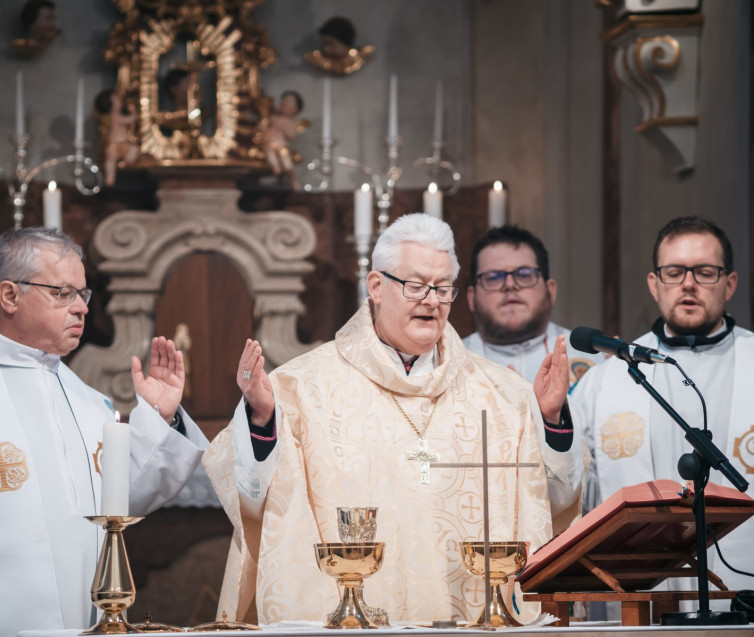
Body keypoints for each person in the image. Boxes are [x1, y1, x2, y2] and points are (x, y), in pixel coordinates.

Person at [203, 213, 567, 625]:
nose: (432, 300)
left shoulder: (503, 393)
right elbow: (250, 499)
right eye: (416, 286)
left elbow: (553, 502)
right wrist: (262, 421)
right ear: (376, 286)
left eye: (443, 288)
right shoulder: (301, 388)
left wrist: (551, 422)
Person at [0, 227, 208, 637]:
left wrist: (161, 418)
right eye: (63, 293)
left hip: (77, 619)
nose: (81, 309)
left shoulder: (86, 399)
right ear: (10, 296)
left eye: (83, 295)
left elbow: (120, 502)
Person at [570, 216, 754, 601]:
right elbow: (572, 498)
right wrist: (550, 419)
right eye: (674, 272)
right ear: (655, 285)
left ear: (730, 283)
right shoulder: (606, 381)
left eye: (705, 272)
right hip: (640, 603)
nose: (688, 283)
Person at [463, 225, 605, 528]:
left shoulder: (595, 363)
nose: (510, 286)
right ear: (471, 297)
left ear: (550, 290)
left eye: (524, 274)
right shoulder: (451, 365)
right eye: (493, 277)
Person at [257, 90, 307, 188]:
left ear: (295, 109)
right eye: (283, 102)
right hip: (269, 143)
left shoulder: (288, 122)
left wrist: (283, 127)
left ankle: (290, 175)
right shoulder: (273, 118)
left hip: (281, 144)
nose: (284, 104)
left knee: (285, 155)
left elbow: (292, 135)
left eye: (288, 102)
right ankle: (276, 168)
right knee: (270, 153)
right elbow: (263, 127)